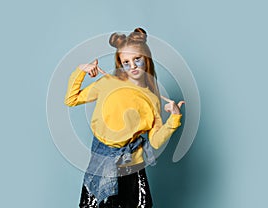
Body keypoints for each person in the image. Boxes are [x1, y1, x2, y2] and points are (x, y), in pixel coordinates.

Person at [64, 27, 185, 208]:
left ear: (147, 59)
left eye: (137, 60)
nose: (133, 66)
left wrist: (174, 119)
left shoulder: (152, 98)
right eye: (126, 62)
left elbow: (156, 141)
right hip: (102, 160)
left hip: (131, 166)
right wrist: (82, 70)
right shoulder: (107, 83)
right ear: (120, 63)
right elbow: (71, 99)